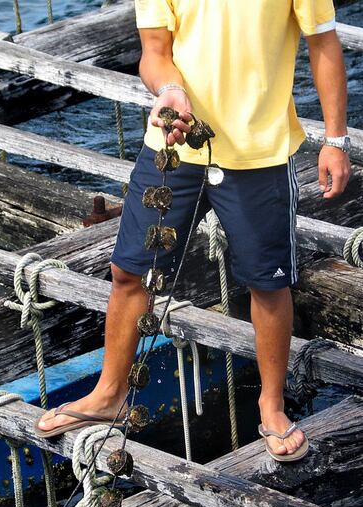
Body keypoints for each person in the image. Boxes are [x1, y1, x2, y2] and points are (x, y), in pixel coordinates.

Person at [36, 0, 351, 461]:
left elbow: (324, 43)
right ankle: (108, 395)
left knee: (268, 281)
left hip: (257, 154)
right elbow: (154, 50)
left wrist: (336, 141)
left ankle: (271, 403)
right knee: (129, 271)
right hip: (173, 143)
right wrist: (169, 90)